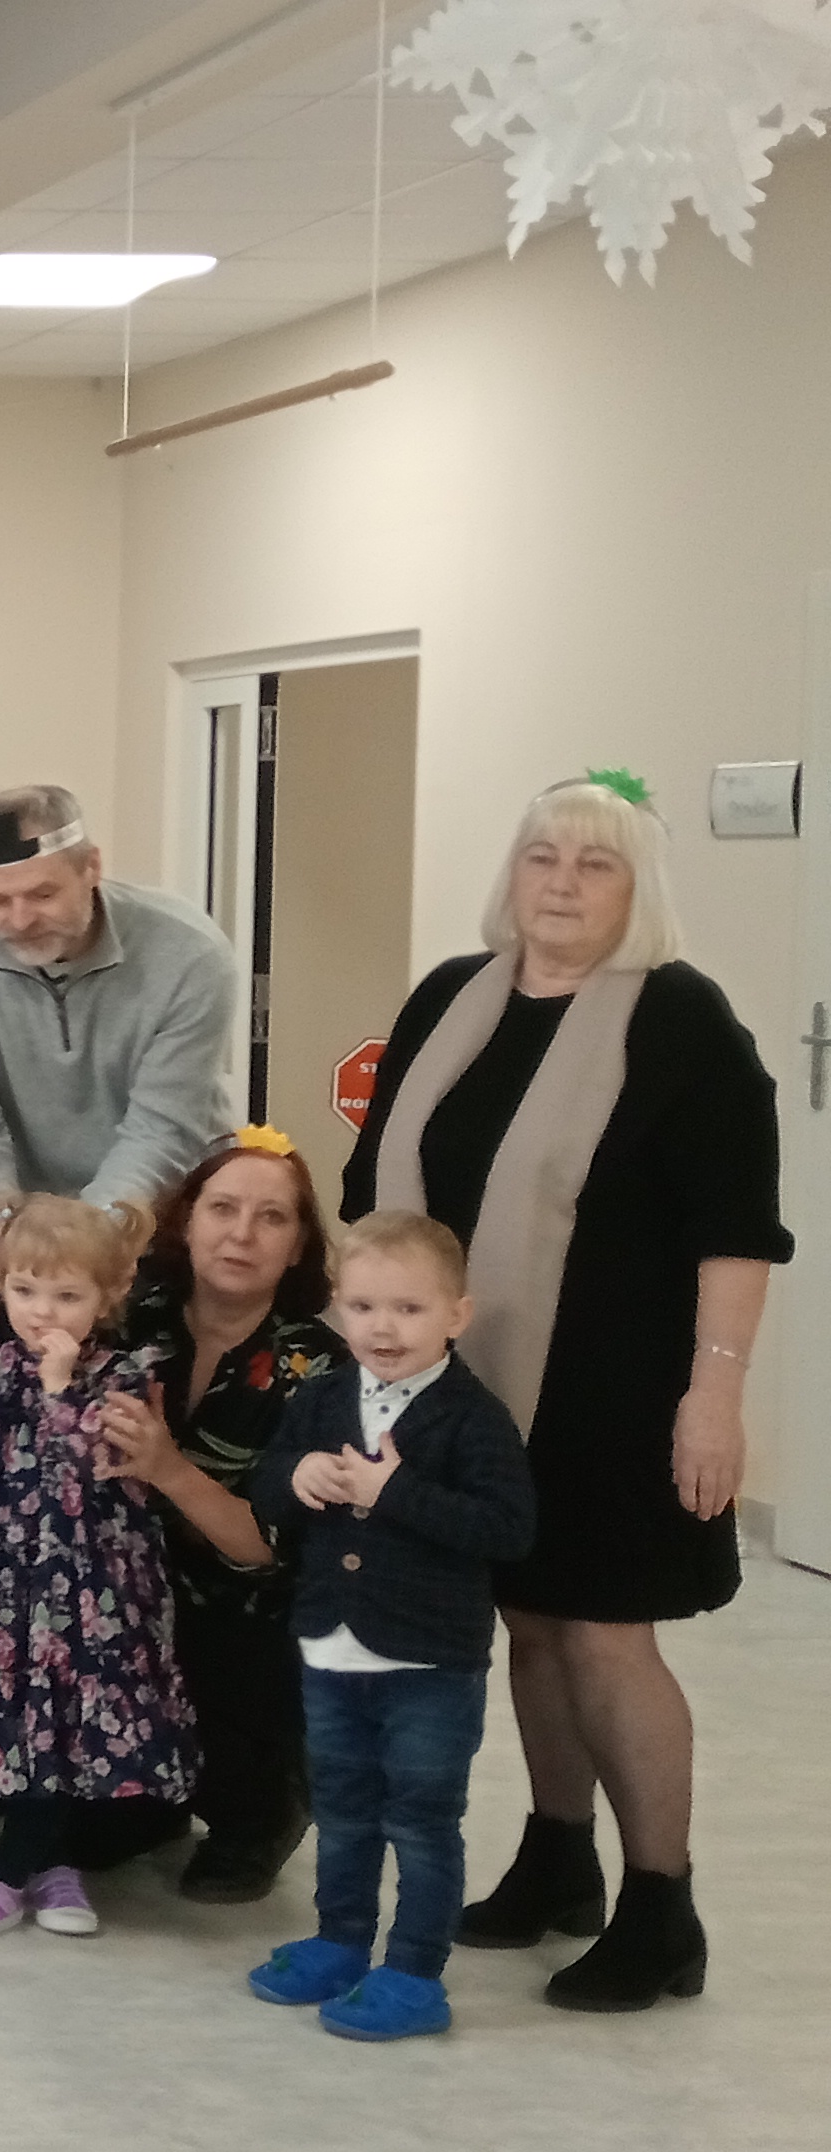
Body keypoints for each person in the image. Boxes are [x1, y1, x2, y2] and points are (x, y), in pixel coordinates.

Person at [343, 770, 786, 2013]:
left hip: (618, 1391)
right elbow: (376, 1186)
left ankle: (663, 1906)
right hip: (469, 1387)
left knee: (602, 1633)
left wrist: (715, 1396)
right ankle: (557, 1858)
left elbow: (736, 1230)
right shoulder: (452, 997)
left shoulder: (684, 1022)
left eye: (596, 864)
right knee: (528, 1624)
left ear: (639, 889)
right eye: (543, 856)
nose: (562, 884)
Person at [246, 1212, 540, 2043]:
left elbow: (508, 1529)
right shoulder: (323, 1398)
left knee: (420, 1819)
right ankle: (340, 1941)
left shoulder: (472, 1417)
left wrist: (395, 1494)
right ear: (338, 1308)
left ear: (457, 1315)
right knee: (341, 1809)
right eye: (364, 1306)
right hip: (330, 1648)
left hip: (430, 1666)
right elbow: (266, 1484)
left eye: (409, 1309)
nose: (384, 1327)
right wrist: (295, 1476)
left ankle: (413, 1971)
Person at [0, 1196, 195, 1945]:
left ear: (109, 1295)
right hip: (9, 1579)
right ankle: (50, 1864)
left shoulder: (126, 1375)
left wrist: (59, 1389)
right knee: (21, 1716)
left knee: (71, 1718)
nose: (42, 1313)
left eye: (67, 1295)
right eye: (25, 1290)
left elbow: (95, 1469)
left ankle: (10, 1872)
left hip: (96, 1583)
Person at [101, 1129, 342, 1901]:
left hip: (253, 1620)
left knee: (243, 1646)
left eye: (272, 1218)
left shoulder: (324, 1370)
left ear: (299, 1247)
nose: (242, 1233)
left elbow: (271, 1551)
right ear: (186, 1220)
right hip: (129, 1600)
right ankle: (142, 1793)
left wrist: (168, 1468)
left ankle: (265, 1807)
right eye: (223, 1208)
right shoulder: (130, 1321)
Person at [0, 785, 241, 1262]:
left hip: (171, 1222)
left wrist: (92, 1236)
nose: (19, 920)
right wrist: (2, 1221)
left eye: (42, 894)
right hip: (32, 1238)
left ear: (91, 867)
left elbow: (164, 1126)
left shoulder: (189, 953)